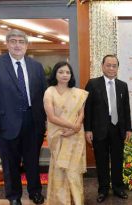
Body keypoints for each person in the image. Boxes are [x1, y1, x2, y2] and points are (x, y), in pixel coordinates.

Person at [0, 29, 46, 205]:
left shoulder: (36, 66)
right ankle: (13, 197)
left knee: (32, 160)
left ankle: (35, 192)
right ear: (7, 43)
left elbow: (44, 95)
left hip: (33, 122)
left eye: (21, 41)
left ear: (26, 45)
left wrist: (46, 120)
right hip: (4, 123)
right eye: (13, 41)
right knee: (10, 163)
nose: (17, 44)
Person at [84, 54, 132, 203]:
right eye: (108, 65)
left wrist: (128, 129)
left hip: (118, 129)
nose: (111, 68)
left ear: (118, 68)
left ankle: (118, 188)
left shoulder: (123, 85)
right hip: (99, 129)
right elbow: (88, 109)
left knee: (118, 159)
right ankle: (103, 189)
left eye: (114, 66)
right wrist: (88, 130)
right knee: (101, 160)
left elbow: (126, 109)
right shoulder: (93, 84)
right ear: (102, 66)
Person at [44, 62, 88, 205]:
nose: (64, 75)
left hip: (75, 137)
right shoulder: (49, 91)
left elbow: (81, 112)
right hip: (59, 136)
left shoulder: (78, 93)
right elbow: (51, 117)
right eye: (61, 72)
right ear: (55, 74)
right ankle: (60, 201)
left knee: (73, 171)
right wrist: (72, 126)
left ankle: (77, 201)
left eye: (67, 72)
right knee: (59, 170)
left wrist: (75, 128)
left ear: (71, 75)